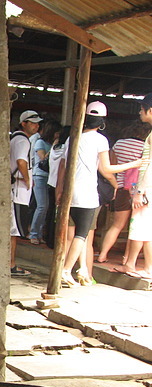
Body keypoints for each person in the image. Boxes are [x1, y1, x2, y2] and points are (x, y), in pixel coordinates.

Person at [56, 101, 141, 287]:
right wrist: (134, 164)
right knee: (82, 234)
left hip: (70, 191)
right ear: (102, 122)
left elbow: (63, 166)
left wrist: (59, 189)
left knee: (69, 234)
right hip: (87, 192)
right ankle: (66, 270)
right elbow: (106, 169)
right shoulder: (100, 140)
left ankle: (79, 270)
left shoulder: (72, 137)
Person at [96, 120, 150, 264]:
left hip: (120, 187)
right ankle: (127, 259)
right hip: (138, 190)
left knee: (117, 225)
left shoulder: (119, 144)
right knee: (135, 227)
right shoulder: (145, 146)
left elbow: (111, 165)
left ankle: (102, 254)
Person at [114, 93, 152, 278]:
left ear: (150, 110)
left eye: (141, 109)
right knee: (145, 228)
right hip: (147, 187)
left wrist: (140, 191)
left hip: (147, 189)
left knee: (139, 226)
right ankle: (141, 266)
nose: (139, 112)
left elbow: (150, 165)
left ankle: (136, 265)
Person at [9, 110, 43, 276]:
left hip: (17, 189)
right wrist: (27, 179)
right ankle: (11, 264)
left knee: (13, 229)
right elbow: (21, 161)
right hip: (17, 190)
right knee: (13, 230)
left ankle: (10, 263)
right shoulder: (22, 141)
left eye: (37, 123)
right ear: (24, 123)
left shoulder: (17, 139)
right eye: (33, 122)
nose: (36, 125)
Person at [29, 118, 61, 245]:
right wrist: (53, 148)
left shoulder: (50, 143)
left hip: (49, 178)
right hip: (39, 176)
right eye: (56, 132)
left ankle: (39, 233)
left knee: (45, 207)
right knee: (42, 206)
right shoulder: (40, 142)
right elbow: (43, 158)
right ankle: (34, 234)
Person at [44, 125, 69, 248]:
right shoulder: (66, 149)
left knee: (51, 211)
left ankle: (48, 237)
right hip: (59, 184)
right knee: (58, 214)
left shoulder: (55, 147)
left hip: (51, 182)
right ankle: (55, 240)